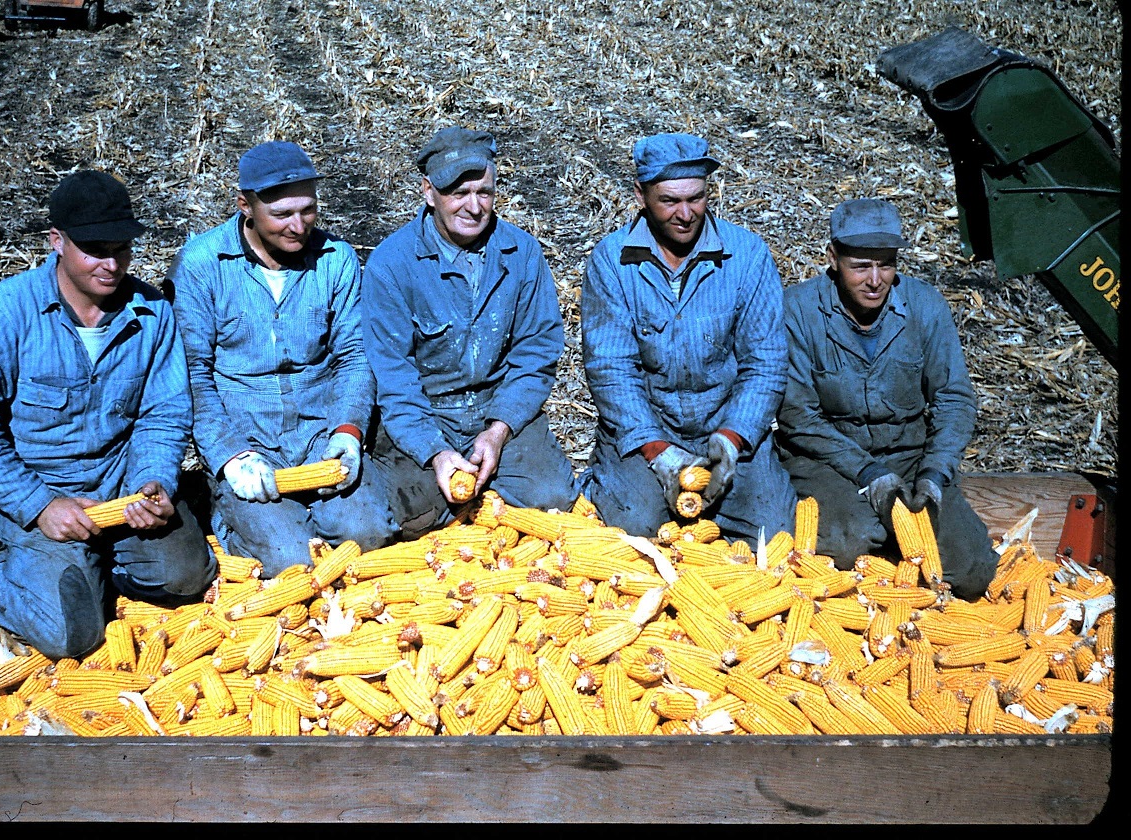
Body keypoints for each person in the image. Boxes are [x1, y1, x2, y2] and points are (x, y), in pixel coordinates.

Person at [0, 169, 217, 660]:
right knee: (72, 635)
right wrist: (40, 505)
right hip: (38, 493)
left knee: (187, 577)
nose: (111, 264)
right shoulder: (5, 313)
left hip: (119, 489)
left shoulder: (152, 313)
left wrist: (152, 482)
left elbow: (163, 413)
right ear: (57, 241)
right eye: (95, 250)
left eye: (121, 249)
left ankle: (88, 568)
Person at [166, 141, 399, 575]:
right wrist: (231, 455)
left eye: (308, 210)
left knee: (369, 536)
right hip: (247, 435)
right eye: (282, 214)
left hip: (319, 430)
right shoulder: (201, 264)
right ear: (245, 205)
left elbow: (353, 356)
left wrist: (348, 431)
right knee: (291, 558)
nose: (298, 225)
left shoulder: (337, 260)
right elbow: (191, 373)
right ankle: (230, 518)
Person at [579, 132, 797, 541]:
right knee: (637, 532)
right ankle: (612, 477)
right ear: (641, 195)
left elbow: (765, 363)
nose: (685, 213)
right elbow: (611, 369)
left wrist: (733, 437)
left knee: (774, 535)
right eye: (669, 201)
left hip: (725, 421)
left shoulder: (747, 255)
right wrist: (655, 449)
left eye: (695, 198)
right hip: (648, 428)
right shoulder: (611, 261)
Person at [362, 126, 578, 535]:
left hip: (497, 407)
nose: (474, 206)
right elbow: (394, 378)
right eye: (458, 193)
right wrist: (434, 451)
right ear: (429, 193)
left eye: (485, 192)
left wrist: (499, 431)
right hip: (428, 411)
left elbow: (536, 353)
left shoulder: (523, 252)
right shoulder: (392, 263)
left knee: (552, 500)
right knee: (412, 520)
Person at [776, 198, 996, 599]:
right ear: (833, 259)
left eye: (886, 264)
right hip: (829, 458)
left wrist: (934, 472)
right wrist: (866, 472)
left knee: (972, 571)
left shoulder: (924, 305)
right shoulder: (798, 310)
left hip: (908, 454)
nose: (875, 279)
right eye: (860, 266)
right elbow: (797, 416)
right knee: (850, 545)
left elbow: (953, 398)